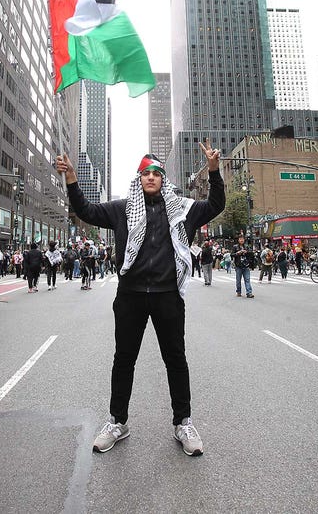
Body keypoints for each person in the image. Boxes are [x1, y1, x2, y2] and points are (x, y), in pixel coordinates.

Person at [56, 144, 224, 457]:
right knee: (124, 359)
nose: (150, 177)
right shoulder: (122, 209)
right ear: (139, 178)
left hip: (168, 297)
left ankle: (183, 423)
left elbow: (216, 203)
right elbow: (87, 211)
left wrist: (213, 170)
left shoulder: (183, 209)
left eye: (156, 173)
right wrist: (72, 179)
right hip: (130, 296)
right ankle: (117, 422)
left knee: (175, 359)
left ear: (163, 179)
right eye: (145, 173)